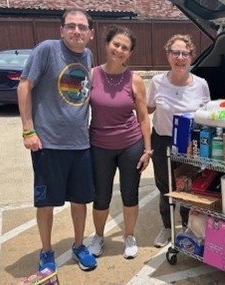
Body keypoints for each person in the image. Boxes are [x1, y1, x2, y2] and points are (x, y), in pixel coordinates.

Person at [17, 8, 97, 272]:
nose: (77, 31)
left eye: (82, 27)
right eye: (71, 26)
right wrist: (28, 129)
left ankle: (78, 245)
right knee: (46, 202)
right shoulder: (47, 50)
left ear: (90, 34)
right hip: (48, 144)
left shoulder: (87, 55)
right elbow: (24, 85)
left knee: (80, 200)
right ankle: (47, 251)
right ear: (61, 30)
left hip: (80, 144)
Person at [86, 25, 151, 259]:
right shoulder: (91, 74)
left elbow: (143, 117)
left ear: (130, 53)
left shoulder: (135, 79)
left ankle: (129, 237)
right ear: (107, 45)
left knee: (129, 193)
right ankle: (99, 236)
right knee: (100, 195)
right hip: (99, 146)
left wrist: (148, 149)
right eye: (116, 44)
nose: (119, 50)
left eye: (125, 48)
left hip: (130, 146)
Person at [147, 34, 211, 248]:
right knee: (165, 186)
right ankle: (167, 227)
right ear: (168, 55)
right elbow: (145, 109)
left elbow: (206, 116)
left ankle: (185, 225)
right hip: (162, 141)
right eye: (175, 52)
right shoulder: (157, 82)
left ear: (191, 57)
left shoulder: (201, 84)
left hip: (188, 144)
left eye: (185, 53)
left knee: (187, 185)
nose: (180, 58)